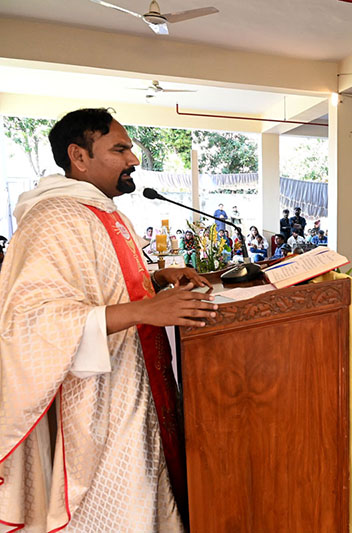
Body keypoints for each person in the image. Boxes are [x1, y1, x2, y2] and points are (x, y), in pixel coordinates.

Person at [0, 108, 219, 530]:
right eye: (120, 149)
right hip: (98, 398)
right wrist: (144, 310)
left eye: (131, 149)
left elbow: (102, 284)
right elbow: (29, 322)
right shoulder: (51, 219)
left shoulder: (104, 212)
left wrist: (155, 279)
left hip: (138, 382)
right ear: (78, 156)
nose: (133, 159)